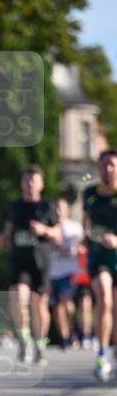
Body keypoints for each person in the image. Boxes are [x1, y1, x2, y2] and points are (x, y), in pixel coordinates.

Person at [0, 165, 60, 366]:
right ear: (21, 184)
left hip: (41, 262)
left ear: (41, 184)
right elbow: (8, 229)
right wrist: (4, 237)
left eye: (34, 180)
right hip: (19, 261)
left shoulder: (47, 206)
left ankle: (40, 343)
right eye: (26, 180)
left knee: (39, 304)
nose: (30, 184)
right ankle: (24, 340)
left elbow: (58, 235)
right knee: (18, 297)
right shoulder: (15, 206)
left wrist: (44, 230)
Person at [83, 148, 117, 381]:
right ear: (99, 168)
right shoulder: (89, 194)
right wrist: (86, 238)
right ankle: (102, 354)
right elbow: (85, 223)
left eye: (113, 165)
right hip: (98, 257)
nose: (109, 169)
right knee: (104, 297)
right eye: (105, 164)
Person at [50, 197, 83, 349]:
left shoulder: (75, 228)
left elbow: (81, 247)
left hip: (69, 270)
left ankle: (72, 330)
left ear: (67, 210)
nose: (58, 211)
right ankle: (64, 336)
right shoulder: (50, 227)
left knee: (66, 299)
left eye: (61, 207)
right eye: (56, 207)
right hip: (52, 272)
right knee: (56, 305)